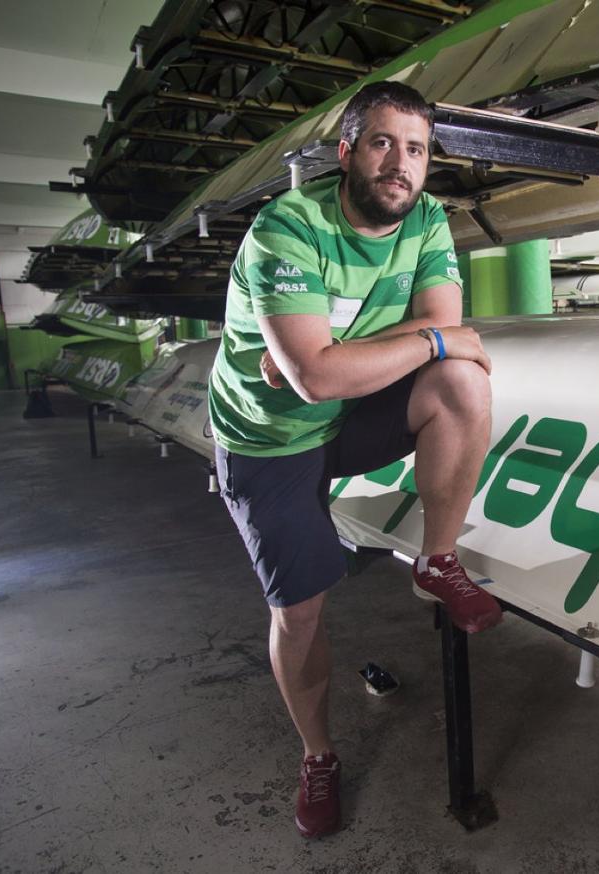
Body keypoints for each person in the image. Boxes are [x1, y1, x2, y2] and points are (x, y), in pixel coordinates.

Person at [207, 81, 502, 840]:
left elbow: (436, 329)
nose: (400, 164)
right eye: (382, 143)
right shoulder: (288, 229)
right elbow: (317, 377)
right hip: (268, 437)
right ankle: (318, 755)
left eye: (416, 149)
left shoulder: (430, 217)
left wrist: (342, 359)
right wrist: (337, 362)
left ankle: (437, 562)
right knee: (300, 613)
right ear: (347, 153)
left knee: (461, 382)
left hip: (345, 410)